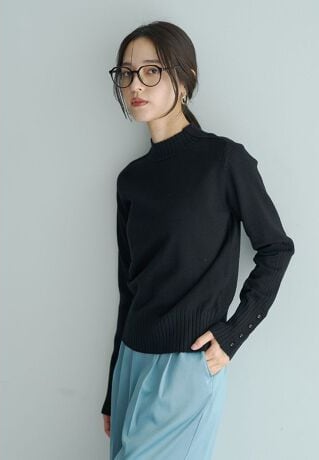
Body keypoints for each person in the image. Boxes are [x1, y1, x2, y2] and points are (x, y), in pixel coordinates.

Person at [101, 20, 295, 460]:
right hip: (132, 361)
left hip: (186, 364)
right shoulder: (131, 180)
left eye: (152, 70)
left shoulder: (223, 161)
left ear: (185, 78)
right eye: (127, 73)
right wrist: (114, 388)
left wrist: (233, 335)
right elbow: (129, 289)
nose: (136, 84)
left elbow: (276, 249)